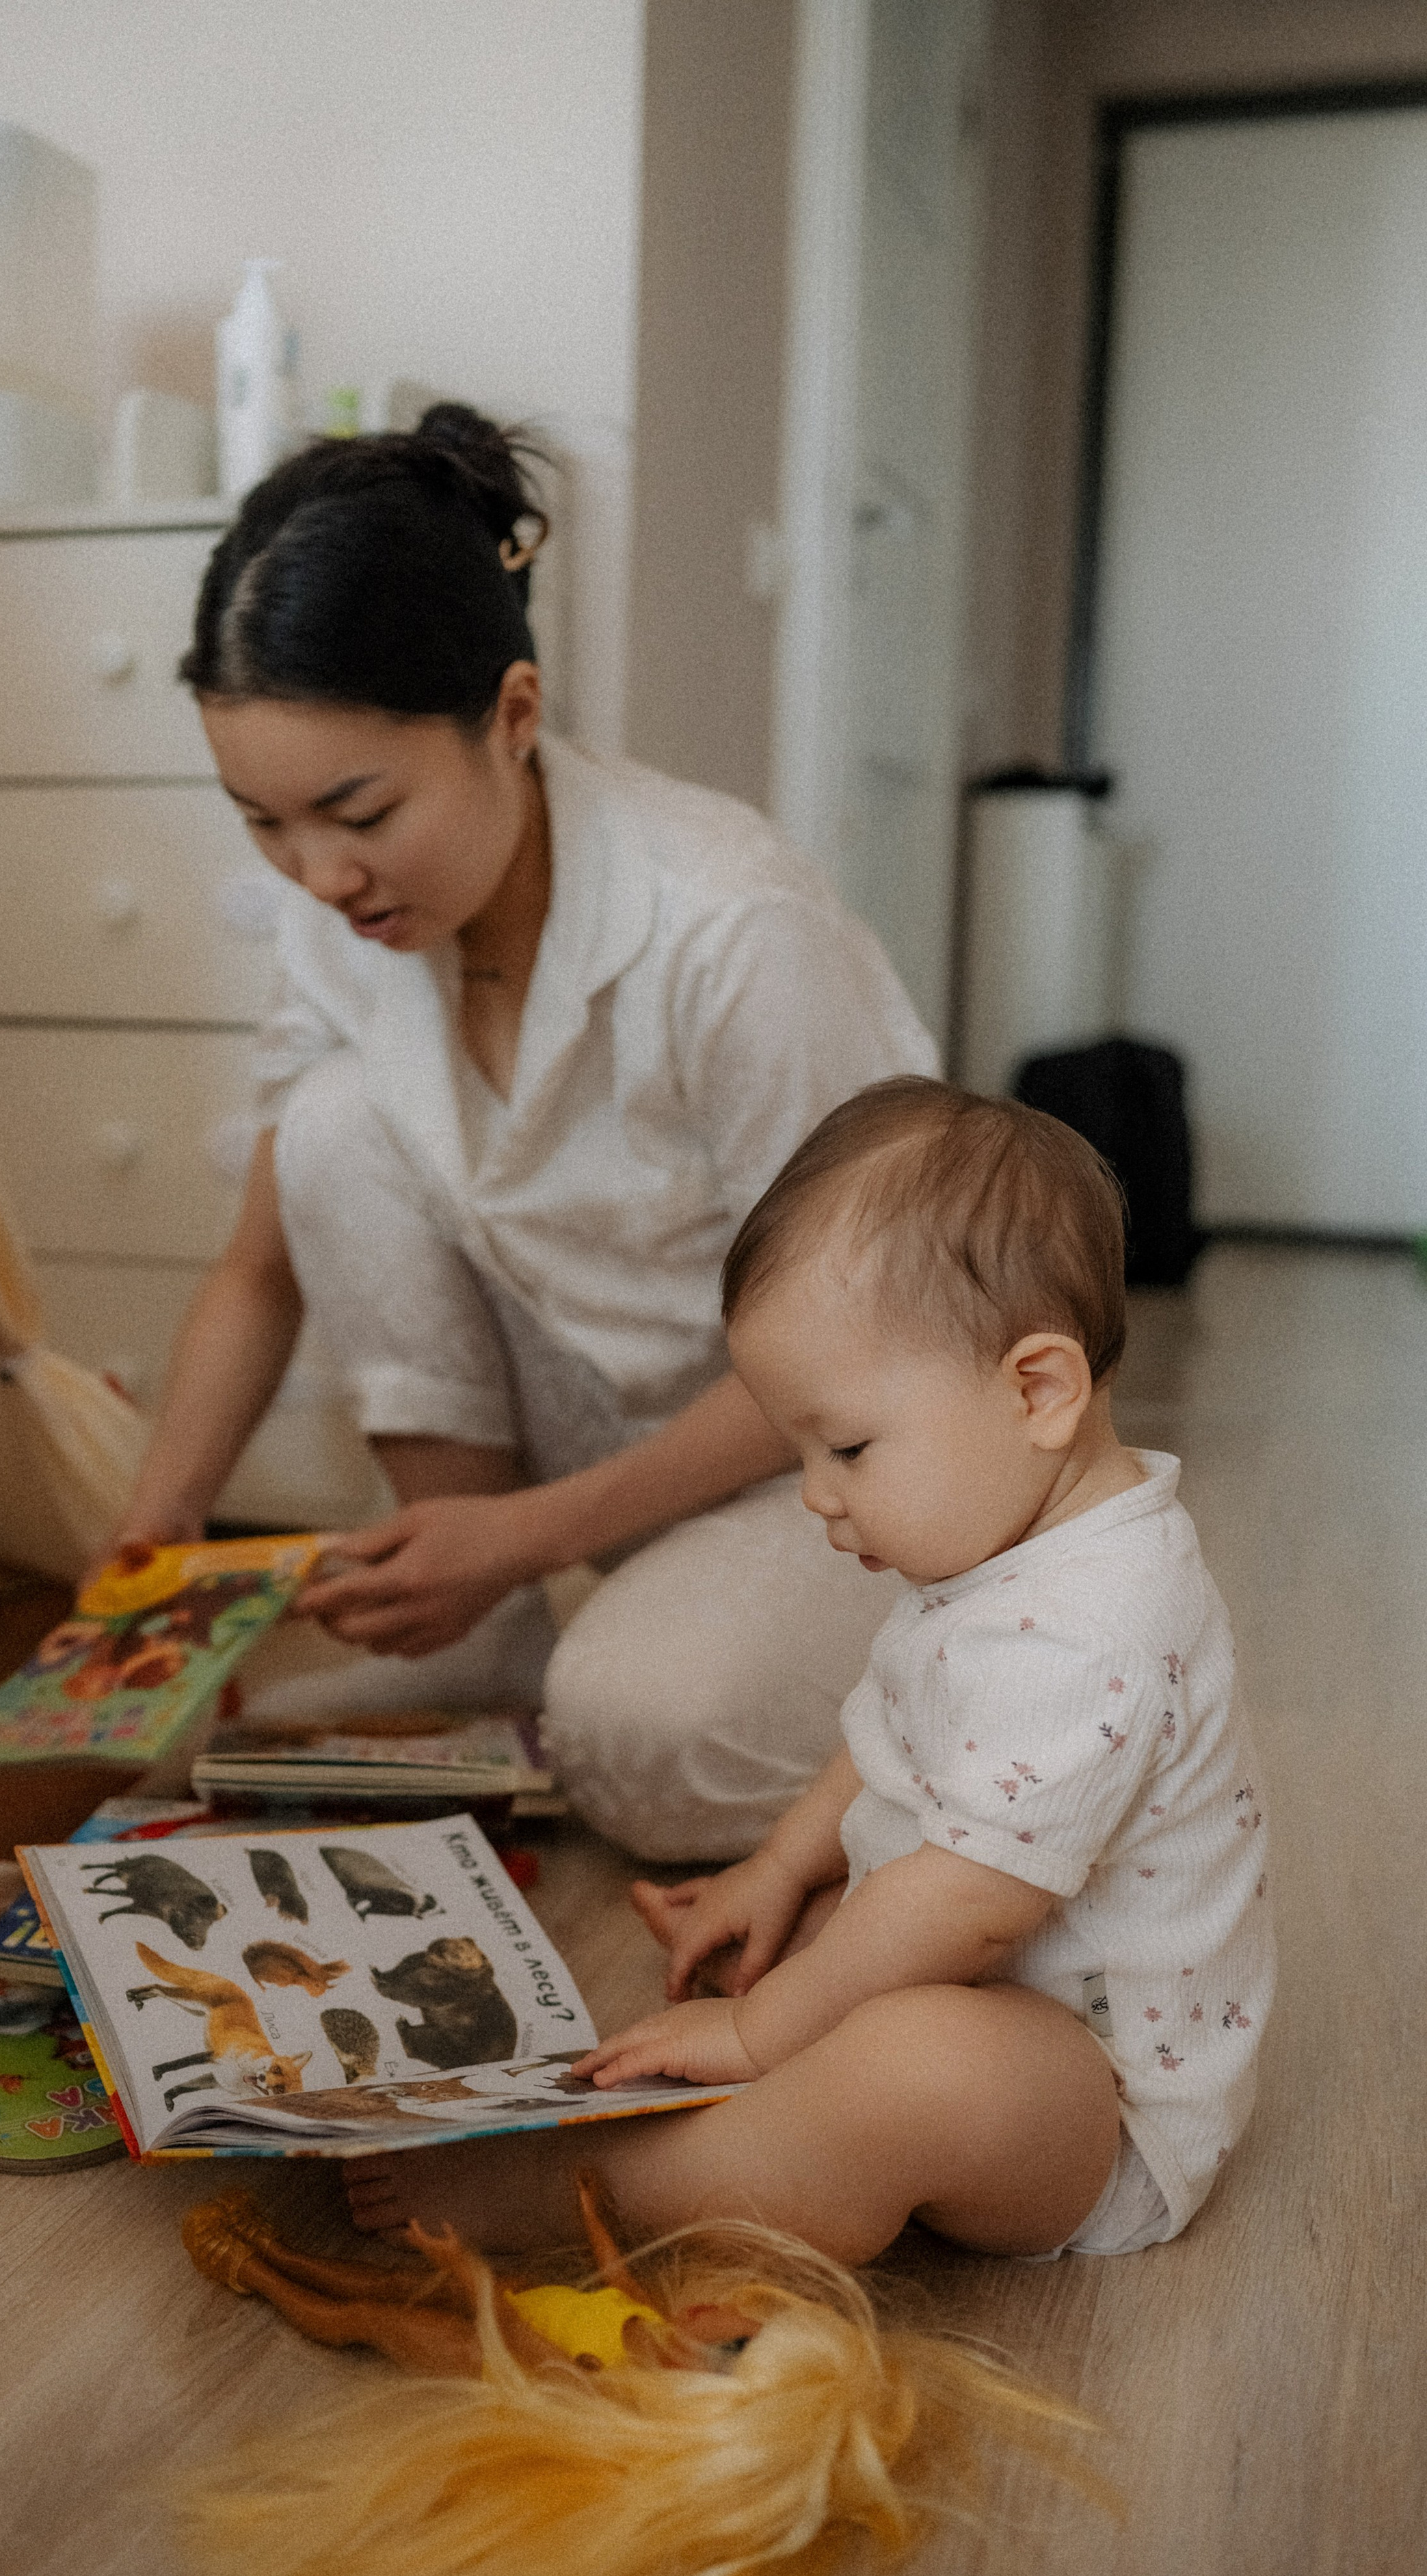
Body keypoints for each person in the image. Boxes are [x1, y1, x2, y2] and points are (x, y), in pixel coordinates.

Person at [115, 405, 935, 1860]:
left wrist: (532, 1535)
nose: (317, 874)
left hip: (828, 1464)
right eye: (262, 823)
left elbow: (857, 1351)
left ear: (510, 713)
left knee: (637, 1741)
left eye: (355, 809)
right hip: (610, 1442)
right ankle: (495, 1637)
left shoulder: (731, 929)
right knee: (327, 1125)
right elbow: (258, 1267)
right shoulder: (349, 919)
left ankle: (957, 1692)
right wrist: (156, 1532)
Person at [342, 1079, 1275, 2264]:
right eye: (801, 1450)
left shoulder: (1095, 1627)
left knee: (913, 2064)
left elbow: (970, 1903)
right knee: (828, 1944)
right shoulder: (1014, 1534)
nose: (817, 1494)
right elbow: (900, 1724)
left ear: (1037, 1390)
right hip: (1013, 1987)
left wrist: (763, 2034)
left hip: (1099, 2112)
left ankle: (605, 2188)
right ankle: (782, 2119)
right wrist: (783, 1863)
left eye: (847, 1447)